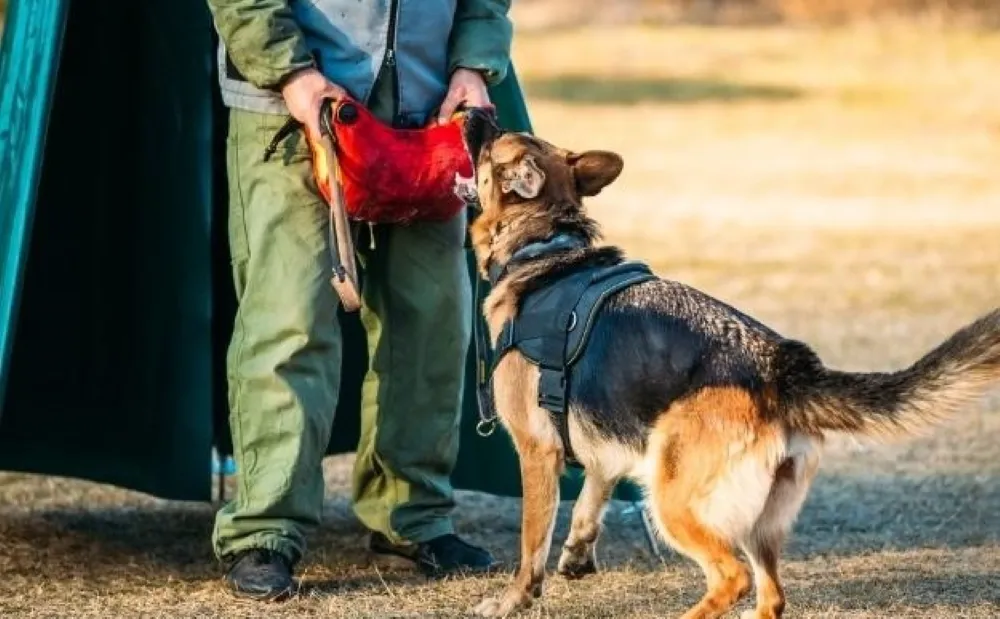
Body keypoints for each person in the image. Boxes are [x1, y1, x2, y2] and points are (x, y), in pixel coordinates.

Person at [204, 0, 513, 601]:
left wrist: (474, 64)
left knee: (433, 323)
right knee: (288, 321)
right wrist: (290, 73)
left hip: (430, 113)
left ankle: (412, 516)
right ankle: (265, 529)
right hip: (290, 111)